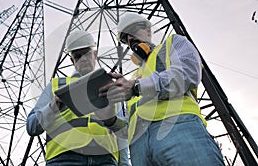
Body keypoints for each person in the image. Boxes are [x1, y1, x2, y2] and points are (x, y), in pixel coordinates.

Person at [99, 12, 225, 166]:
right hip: (139, 149)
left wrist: (138, 87)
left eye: (132, 31)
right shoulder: (132, 78)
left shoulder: (172, 44)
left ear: (148, 30)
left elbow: (188, 73)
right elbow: (129, 128)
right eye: (125, 39)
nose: (130, 40)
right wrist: (110, 120)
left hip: (178, 127)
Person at [26, 30, 129, 166]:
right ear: (72, 61)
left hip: (106, 159)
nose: (84, 59)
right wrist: (54, 105)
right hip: (64, 159)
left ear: (95, 55)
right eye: (78, 56)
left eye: (87, 53)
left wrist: (124, 164)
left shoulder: (110, 87)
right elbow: (32, 126)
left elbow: (122, 135)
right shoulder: (56, 86)